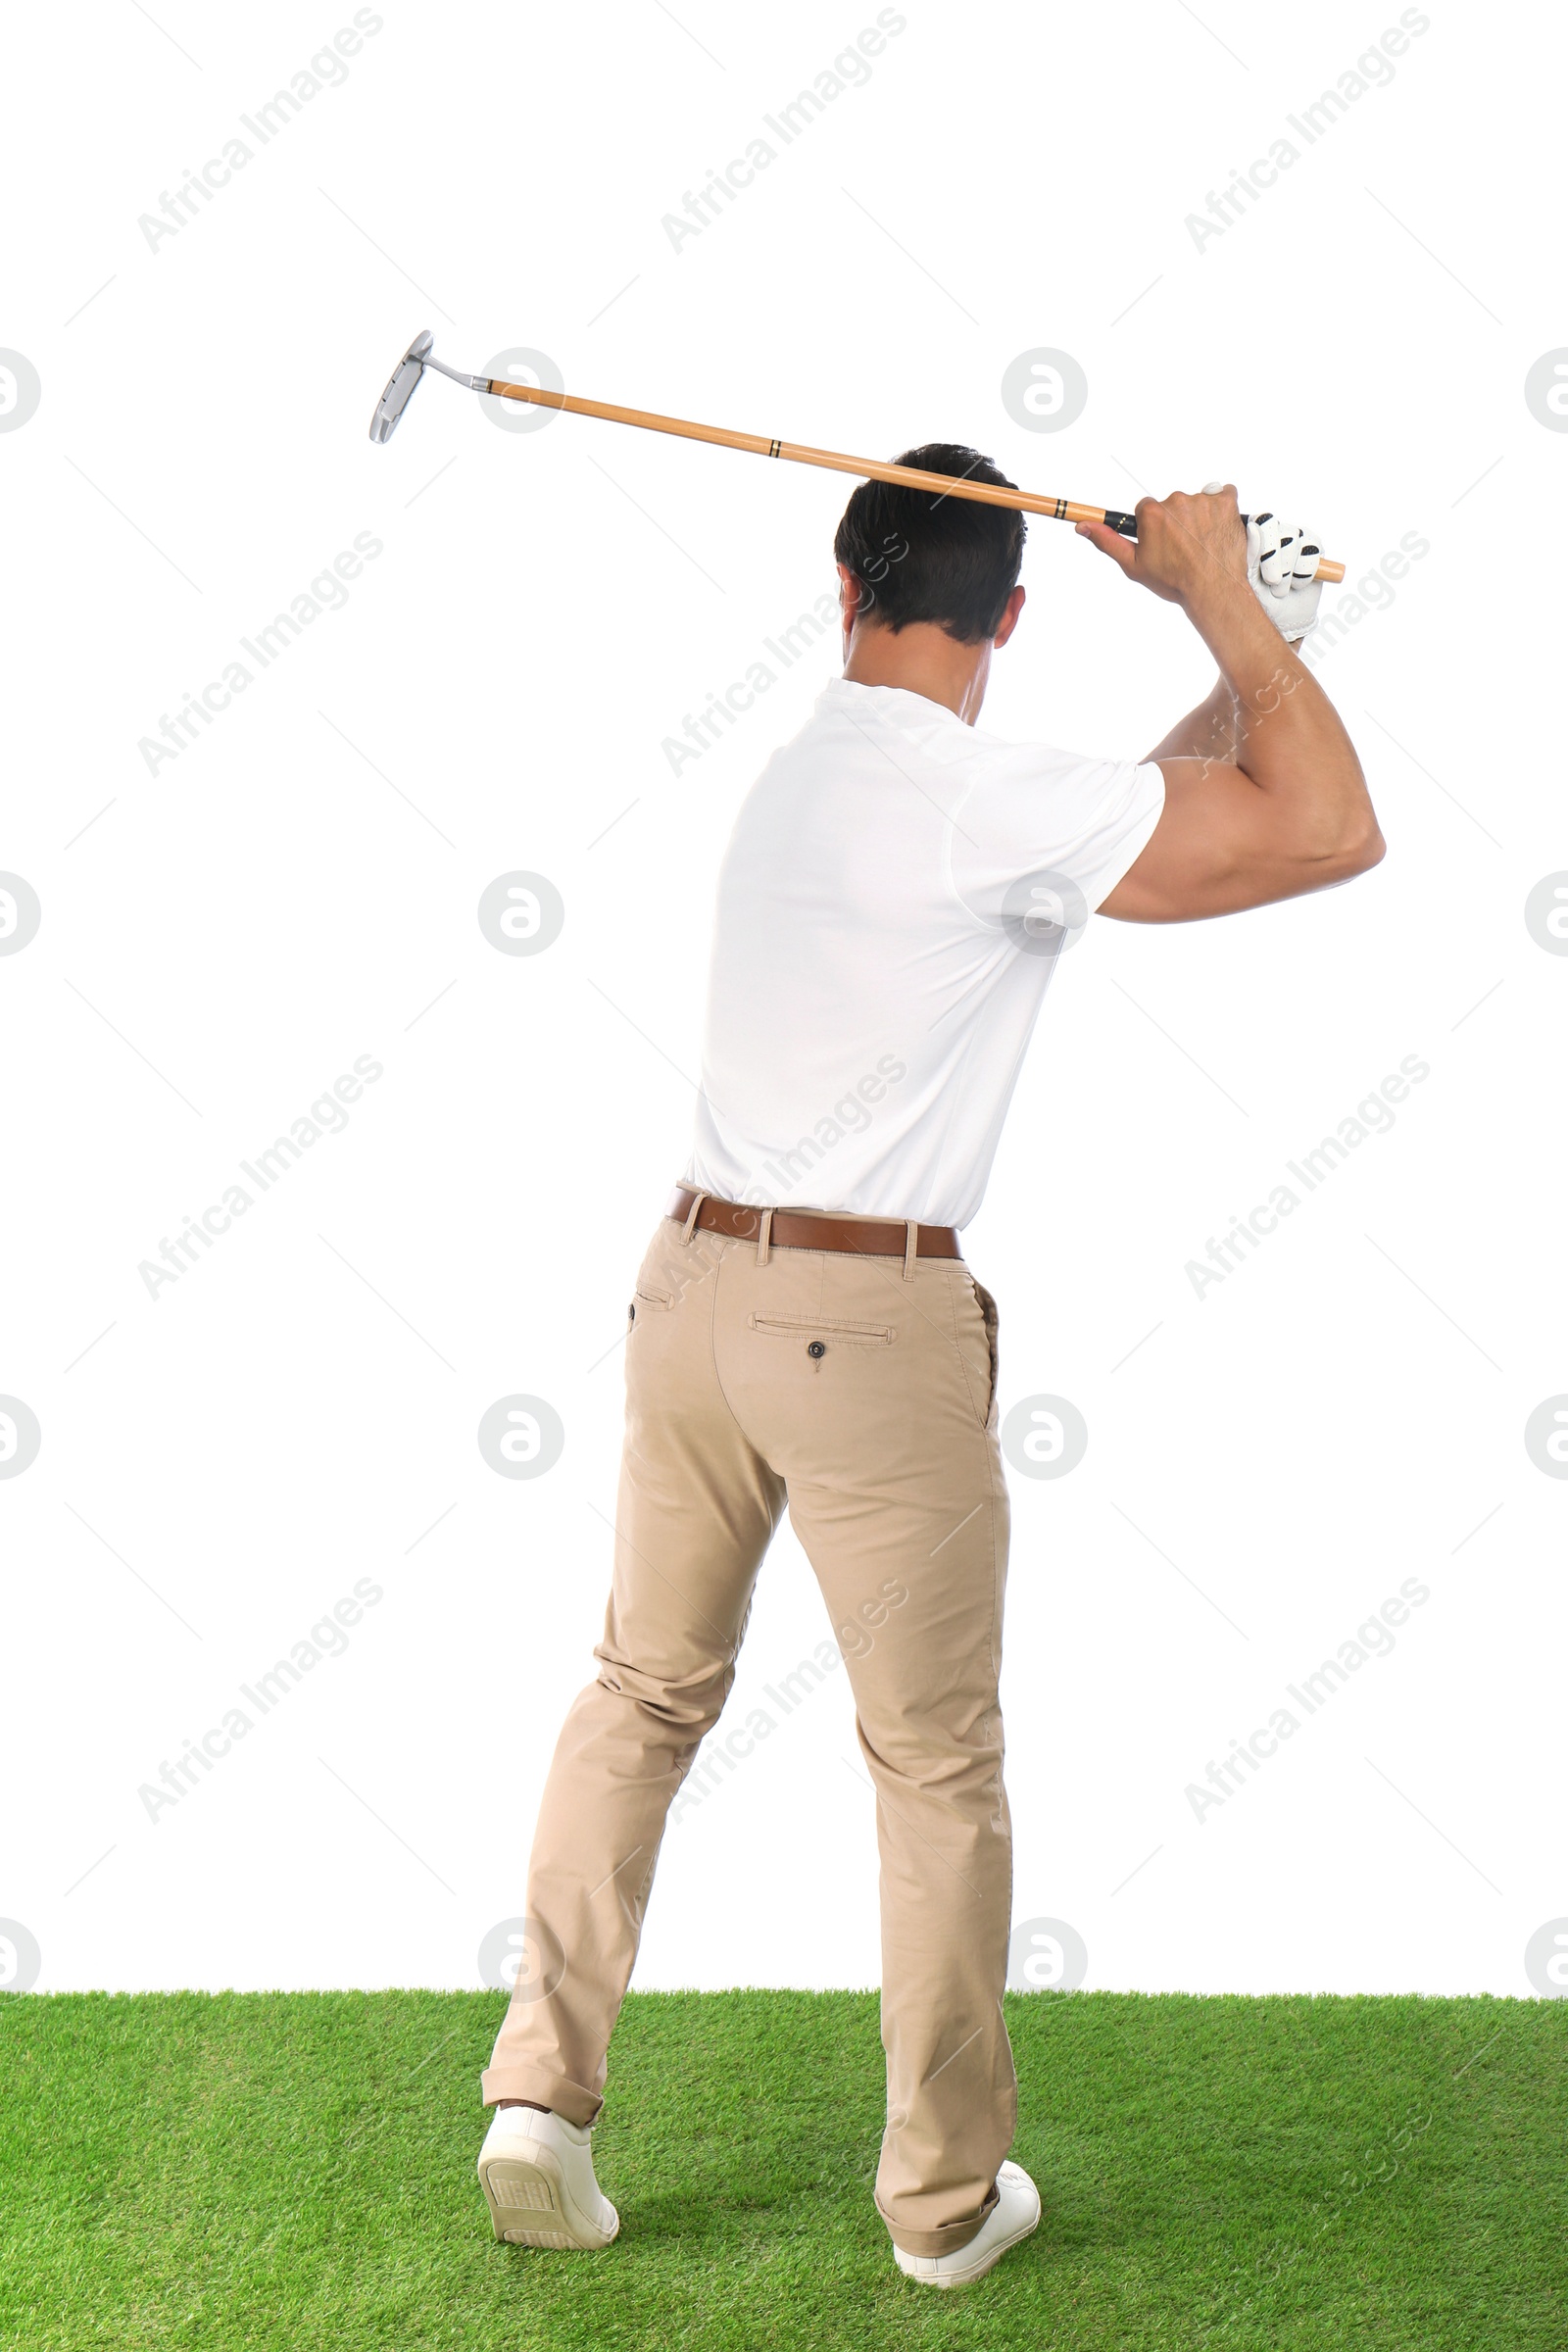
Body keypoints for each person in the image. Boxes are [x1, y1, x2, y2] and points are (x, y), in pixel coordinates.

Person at [473, 460, 1383, 2287]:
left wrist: (1245, 633)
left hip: (687, 1289)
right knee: (935, 1768)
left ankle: (536, 2104)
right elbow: (1319, 830)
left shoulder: (816, 771)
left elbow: (1147, 804)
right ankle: (944, 2206)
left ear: (843, 583)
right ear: (1015, 617)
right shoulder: (985, 803)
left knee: (641, 1694)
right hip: (864, 1334)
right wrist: (1217, 600)